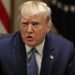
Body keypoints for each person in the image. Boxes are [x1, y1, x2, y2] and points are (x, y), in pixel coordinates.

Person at [0, 1, 75, 75]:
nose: (29, 30)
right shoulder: (2, 47)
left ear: (48, 27)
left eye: (35, 24)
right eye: (25, 23)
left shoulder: (65, 50)